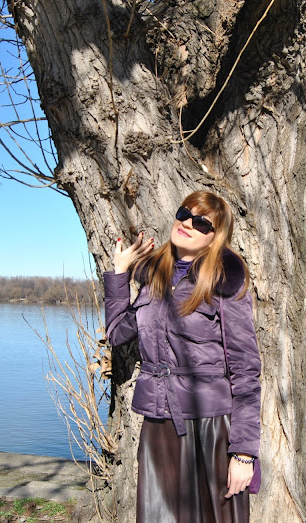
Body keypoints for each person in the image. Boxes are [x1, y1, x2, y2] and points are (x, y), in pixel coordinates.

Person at [103, 190, 261, 523]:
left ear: (214, 237)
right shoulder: (153, 278)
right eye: (184, 214)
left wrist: (244, 453)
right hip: (158, 424)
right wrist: (119, 274)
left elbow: (246, 370)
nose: (188, 223)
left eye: (202, 223)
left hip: (211, 426)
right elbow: (117, 334)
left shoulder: (223, 281)